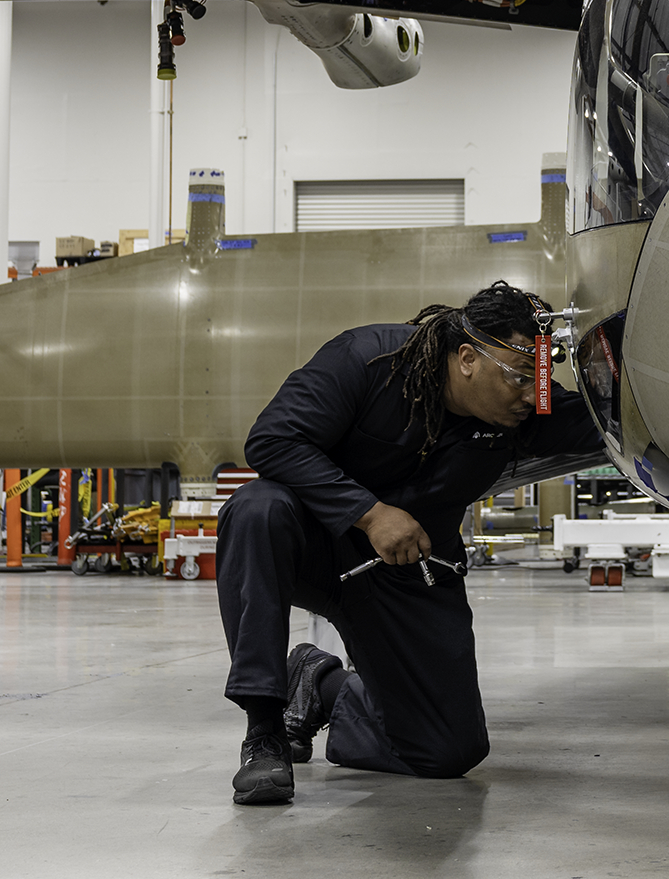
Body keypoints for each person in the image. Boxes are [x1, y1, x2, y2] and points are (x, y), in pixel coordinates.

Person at [218, 281, 603, 807]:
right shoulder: (366, 361)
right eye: (518, 378)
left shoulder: (520, 409)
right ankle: (264, 730)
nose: (530, 395)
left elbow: (608, 421)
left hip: (410, 570)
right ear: (467, 358)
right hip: (317, 547)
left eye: (539, 381)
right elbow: (272, 440)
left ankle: (319, 684)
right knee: (256, 509)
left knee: (447, 753)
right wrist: (369, 513)